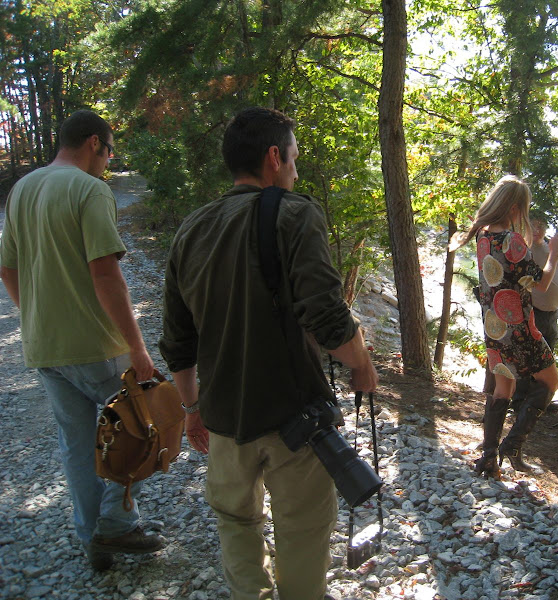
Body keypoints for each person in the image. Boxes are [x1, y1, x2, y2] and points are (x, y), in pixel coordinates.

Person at [159, 107, 378, 600]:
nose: (296, 171)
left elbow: (177, 340)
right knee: (302, 530)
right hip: (294, 420)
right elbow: (326, 316)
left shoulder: (191, 229)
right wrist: (362, 365)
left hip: (223, 419)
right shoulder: (294, 214)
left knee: (236, 524)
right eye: (294, 159)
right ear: (274, 158)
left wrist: (192, 407)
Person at [0, 109, 164, 572]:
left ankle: (93, 537)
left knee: (77, 445)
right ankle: (116, 523)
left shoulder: (22, 189)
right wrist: (137, 347)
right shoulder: (89, 190)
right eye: (109, 151)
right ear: (94, 143)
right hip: (96, 346)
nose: (108, 161)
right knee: (147, 426)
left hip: (45, 346)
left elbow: (7, 268)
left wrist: (35, 316)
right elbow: (106, 274)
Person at [450, 175, 558, 477]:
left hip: (494, 326)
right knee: (550, 382)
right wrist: (554, 252)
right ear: (514, 207)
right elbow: (541, 284)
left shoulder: (483, 236)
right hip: (520, 329)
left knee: (503, 388)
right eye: (523, 208)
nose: (524, 214)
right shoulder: (512, 240)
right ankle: (512, 446)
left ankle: (489, 459)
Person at [507, 211, 558, 471]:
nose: (537, 230)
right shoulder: (524, 248)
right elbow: (538, 282)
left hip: (551, 313)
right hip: (533, 312)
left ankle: (535, 402)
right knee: (530, 360)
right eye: (533, 225)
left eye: (541, 226)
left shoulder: (548, 247)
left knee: (547, 358)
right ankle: (520, 402)